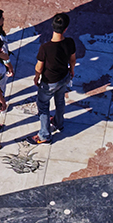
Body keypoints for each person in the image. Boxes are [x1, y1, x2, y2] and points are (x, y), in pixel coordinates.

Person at [31, 12, 76, 144]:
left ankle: (44, 135)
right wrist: (72, 70)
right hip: (64, 77)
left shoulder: (45, 48)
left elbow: (39, 67)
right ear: (66, 28)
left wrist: (36, 77)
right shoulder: (69, 42)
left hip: (49, 82)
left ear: (52, 26)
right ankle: (59, 123)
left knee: (43, 106)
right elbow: (72, 59)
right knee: (60, 100)